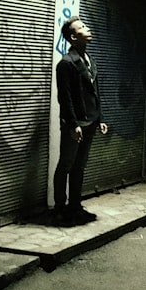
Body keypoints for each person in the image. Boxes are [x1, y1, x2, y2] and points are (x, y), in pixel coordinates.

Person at [53, 16, 108, 224]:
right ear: (74, 37)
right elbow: (64, 98)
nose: (88, 28)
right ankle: (60, 206)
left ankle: (75, 205)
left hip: (91, 122)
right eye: (82, 27)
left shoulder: (90, 61)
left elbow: (96, 93)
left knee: (80, 166)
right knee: (66, 164)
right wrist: (73, 124)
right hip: (75, 124)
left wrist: (100, 118)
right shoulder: (66, 64)